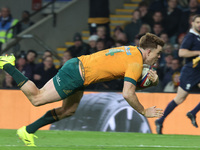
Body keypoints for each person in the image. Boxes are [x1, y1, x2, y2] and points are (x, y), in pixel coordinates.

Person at [0, 33, 164, 146]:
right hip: (76, 74)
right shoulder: (136, 62)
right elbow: (128, 93)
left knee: (68, 110)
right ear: (149, 51)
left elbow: (133, 81)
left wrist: (152, 83)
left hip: (80, 72)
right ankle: (7, 64)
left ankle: (27, 131)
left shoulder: (132, 52)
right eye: (158, 53)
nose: (158, 57)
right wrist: (143, 111)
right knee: (37, 98)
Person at [155, 14, 200, 134]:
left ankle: (193, 112)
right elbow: (181, 52)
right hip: (191, 71)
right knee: (180, 98)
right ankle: (160, 120)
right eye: (198, 22)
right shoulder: (190, 37)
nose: (199, 25)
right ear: (193, 23)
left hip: (199, 71)